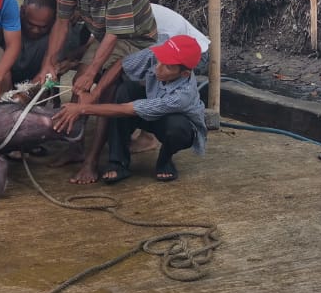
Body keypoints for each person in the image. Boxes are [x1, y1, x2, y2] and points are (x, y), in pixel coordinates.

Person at [36, 0, 157, 184]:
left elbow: (116, 37)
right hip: (105, 37)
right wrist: (49, 61)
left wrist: (93, 73)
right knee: (79, 86)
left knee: (102, 90)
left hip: (135, 41)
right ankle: (77, 147)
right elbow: (62, 22)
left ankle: (91, 161)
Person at [51, 34, 206, 184]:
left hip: (170, 121)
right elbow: (122, 64)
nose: (158, 67)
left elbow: (127, 109)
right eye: (160, 60)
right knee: (124, 90)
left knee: (177, 128)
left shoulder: (183, 95)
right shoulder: (159, 52)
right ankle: (118, 162)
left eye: (168, 67)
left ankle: (165, 159)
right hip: (149, 104)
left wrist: (82, 108)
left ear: (184, 73)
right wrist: (95, 93)